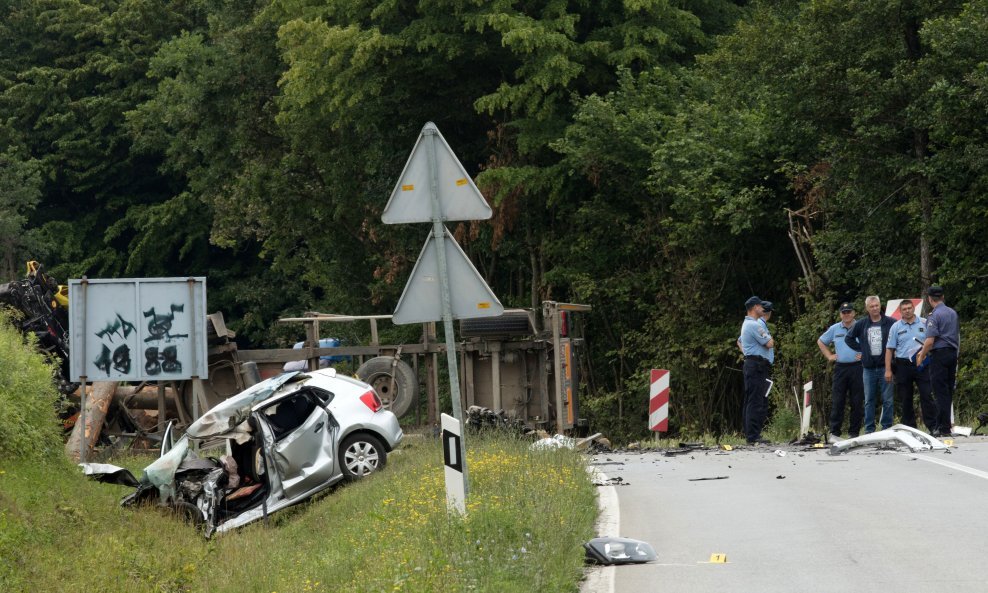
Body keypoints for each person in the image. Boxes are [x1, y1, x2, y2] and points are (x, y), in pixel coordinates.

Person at [884, 299, 936, 433]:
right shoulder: (895, 327)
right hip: (903, 365)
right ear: (900, 311)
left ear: (914, 308)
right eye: (904, 309)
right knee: (906, 398)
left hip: (922, 363)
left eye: (909, 308)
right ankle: (911, 429)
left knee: (926, 395)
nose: (907, 311)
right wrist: (888, 370)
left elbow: (932, 342)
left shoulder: (924, 322)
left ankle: (933, 426)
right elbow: (889, 349)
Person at [845, 295, 895, 433]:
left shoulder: (890, 322)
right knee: (869, 401)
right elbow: (848, 338)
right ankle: (869, 429)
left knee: (888, 400)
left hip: (886, 367)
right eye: (871, 306)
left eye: (876, 305)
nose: (874, 308)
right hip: (868, 369)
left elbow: (898, 337)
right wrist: (863, 350)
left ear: (880, 306)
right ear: (867, 308)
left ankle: (887, 428)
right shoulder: (861, 324)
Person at [916, 286, 960, 437]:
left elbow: (929, 341)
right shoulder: (952, 312)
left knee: (939, 391)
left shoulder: (934, 315)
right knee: (947, 391)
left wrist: (921, 356)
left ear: (929, 299)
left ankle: (941, 427)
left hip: (939, 355)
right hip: (952, 353)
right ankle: (945, 426)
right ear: (942, 297)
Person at [817, 302, 863, 440]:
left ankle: (854, 433)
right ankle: (835, 433)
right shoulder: (835, 328)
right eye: (844, 312)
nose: (847, 314)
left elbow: (872, 342)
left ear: (854, 313)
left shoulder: (861, 326)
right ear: (840, 314)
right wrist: (829, 355)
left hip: (858, 367)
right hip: (841, 368)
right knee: (838, 401)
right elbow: (821, 341)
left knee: (857, 401)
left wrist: (865, 353)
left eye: (849, 312)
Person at [740, 296, 774, 444]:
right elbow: (769, 343)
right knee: (756, 401)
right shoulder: (754, 325)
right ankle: (753, 436)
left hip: (753, 364)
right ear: (754, 308)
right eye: (760, 306)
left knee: (752, 400)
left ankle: (751, 435)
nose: (763, 309)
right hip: (756, 365)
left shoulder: (748, 324)